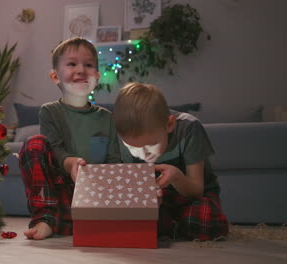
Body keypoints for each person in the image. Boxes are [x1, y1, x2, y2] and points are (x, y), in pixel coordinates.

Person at [19, 37, 122, 240]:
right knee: (34, 144)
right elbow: (54, 148)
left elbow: (114, 160)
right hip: (59, 191)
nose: (81, 70)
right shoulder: (49, 112)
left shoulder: (107, 118)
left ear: (97, 76)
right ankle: (47, 218)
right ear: (55, 76)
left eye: (89, 65)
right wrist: (71, 162)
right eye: (72, 64)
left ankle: (72, 221)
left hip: (94, 192)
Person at [113, 82, 229, 241]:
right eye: (134, 148)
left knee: (203, 221)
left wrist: (176, 177)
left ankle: (173, 224)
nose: (143, 155)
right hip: (159, 197)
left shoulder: (189, 128)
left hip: (194, 195)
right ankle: (171, 224)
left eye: (151, 145)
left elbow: (197, 190)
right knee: (135, 222)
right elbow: (132, 188)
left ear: (169, 125)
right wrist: (149, 199)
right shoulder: (123, 138)